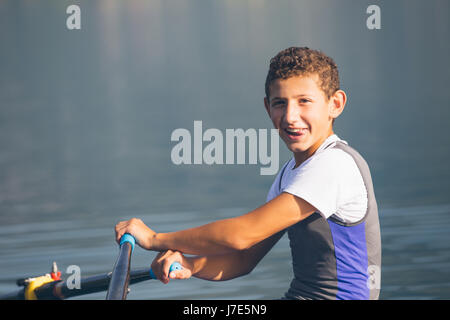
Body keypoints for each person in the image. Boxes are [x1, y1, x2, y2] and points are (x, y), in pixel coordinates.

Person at [115, 47, 382, 300]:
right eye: (280, 103)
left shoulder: (334, 165)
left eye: (304, 102)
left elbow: (241, 236)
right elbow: (243, 259)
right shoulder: (291, 174)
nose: (290, 116)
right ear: (268, 108)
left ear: (335, 103)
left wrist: (154, 239)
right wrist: (191, 265)